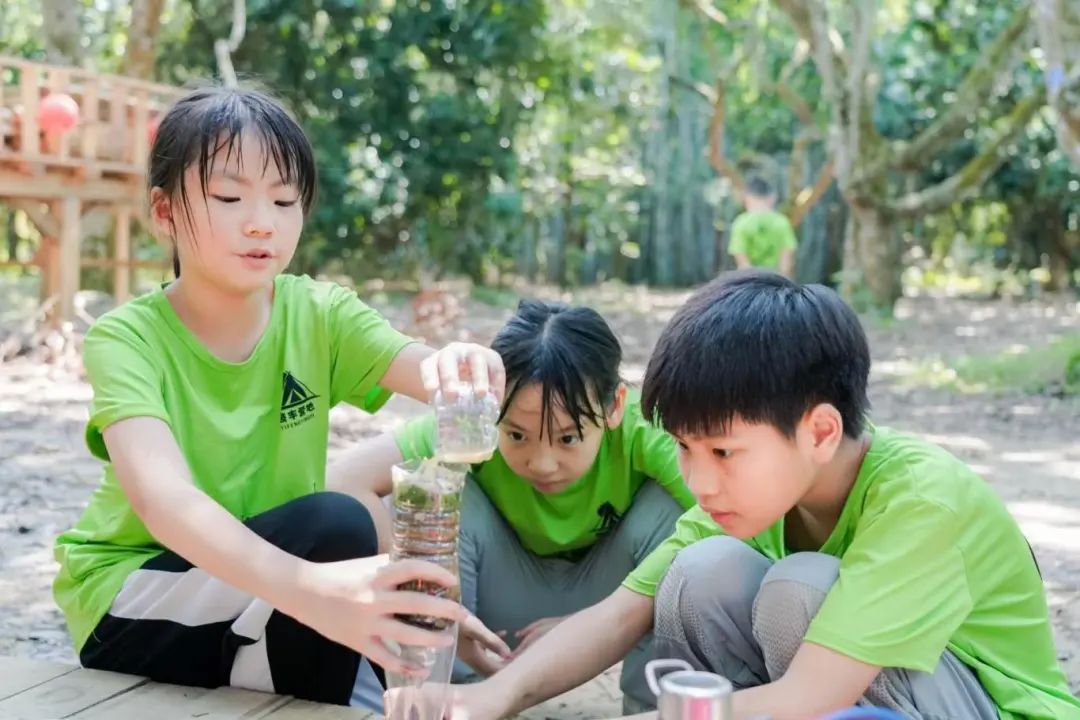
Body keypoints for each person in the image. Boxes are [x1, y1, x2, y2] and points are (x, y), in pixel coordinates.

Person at [447, 271, 1080, 720]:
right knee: (699, 572)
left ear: (820, 432)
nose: (699, 481)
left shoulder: (921, 502)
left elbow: (809, 696)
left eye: (723, 452)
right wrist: (490, 698)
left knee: (799, 590)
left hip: (976, 707)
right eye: (685, 448)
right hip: (847, 700)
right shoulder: (756, 499)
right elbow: (619, 615)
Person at [52, 84, 506, 707]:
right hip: (134, 600)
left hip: (259, 584)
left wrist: (458, 364)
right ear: (164, 211)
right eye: (229, 197)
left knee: (343, 532)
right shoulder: (126, 339)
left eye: (285, 199)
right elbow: (164, 502)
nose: (262, 221)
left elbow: (422, 367)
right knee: (337, 527)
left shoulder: (319, 313)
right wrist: (314, 591)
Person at [334, 299, 694, 711]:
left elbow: (729, 522)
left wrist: (584, 624)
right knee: (432, 488)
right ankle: (453, 695)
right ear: (491, 405)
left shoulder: (645, 428)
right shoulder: (472, 423)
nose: (542, 463)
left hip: (617, 598)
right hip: (493, 601)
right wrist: (413, 582)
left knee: (676, 512)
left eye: (568, 438)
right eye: (517, 435)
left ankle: (650, 709)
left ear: (613, 407)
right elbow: (344, 483)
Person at [727, 177, 797, 277]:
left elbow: (743, 264)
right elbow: (786, 262)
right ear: (772, 197)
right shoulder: (782, 222)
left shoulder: (741, 222)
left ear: (746, 197)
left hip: (751, 281)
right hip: (776, 281)